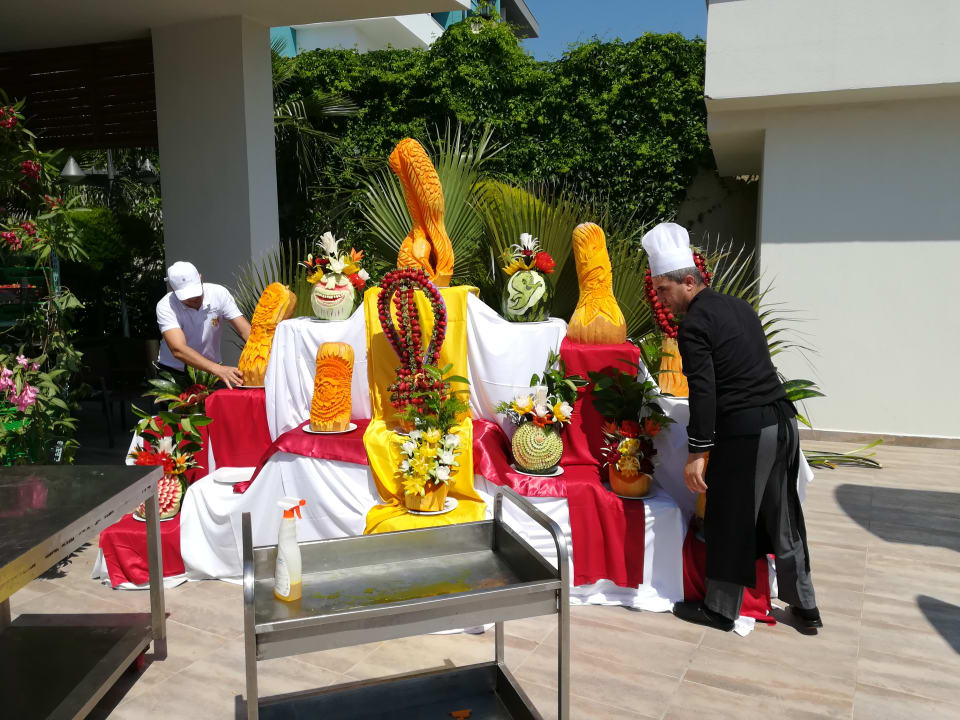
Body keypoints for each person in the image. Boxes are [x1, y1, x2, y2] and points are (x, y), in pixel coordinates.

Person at [641, 223, 821, 632]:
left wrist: (697, 453)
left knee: (728, 515)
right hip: (782, 421)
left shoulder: (694, 323)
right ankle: (806, 605)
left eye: (664, 289)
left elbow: (704, 392)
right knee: (784, 516)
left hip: (747, 431)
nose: (661, 299)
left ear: (689, 281)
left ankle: (720, 610)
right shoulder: (739, 307)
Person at [156, 261, 251, 389]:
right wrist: (218, 369)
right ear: (172, 289)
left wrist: (264, 355)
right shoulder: (166, 306)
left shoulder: (218, 293)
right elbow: (178, 349)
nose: (194, 298)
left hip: (212, 373)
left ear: (200, 278)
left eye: (196, 292)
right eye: (187, 296)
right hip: (175, 374)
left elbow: (246, 331)